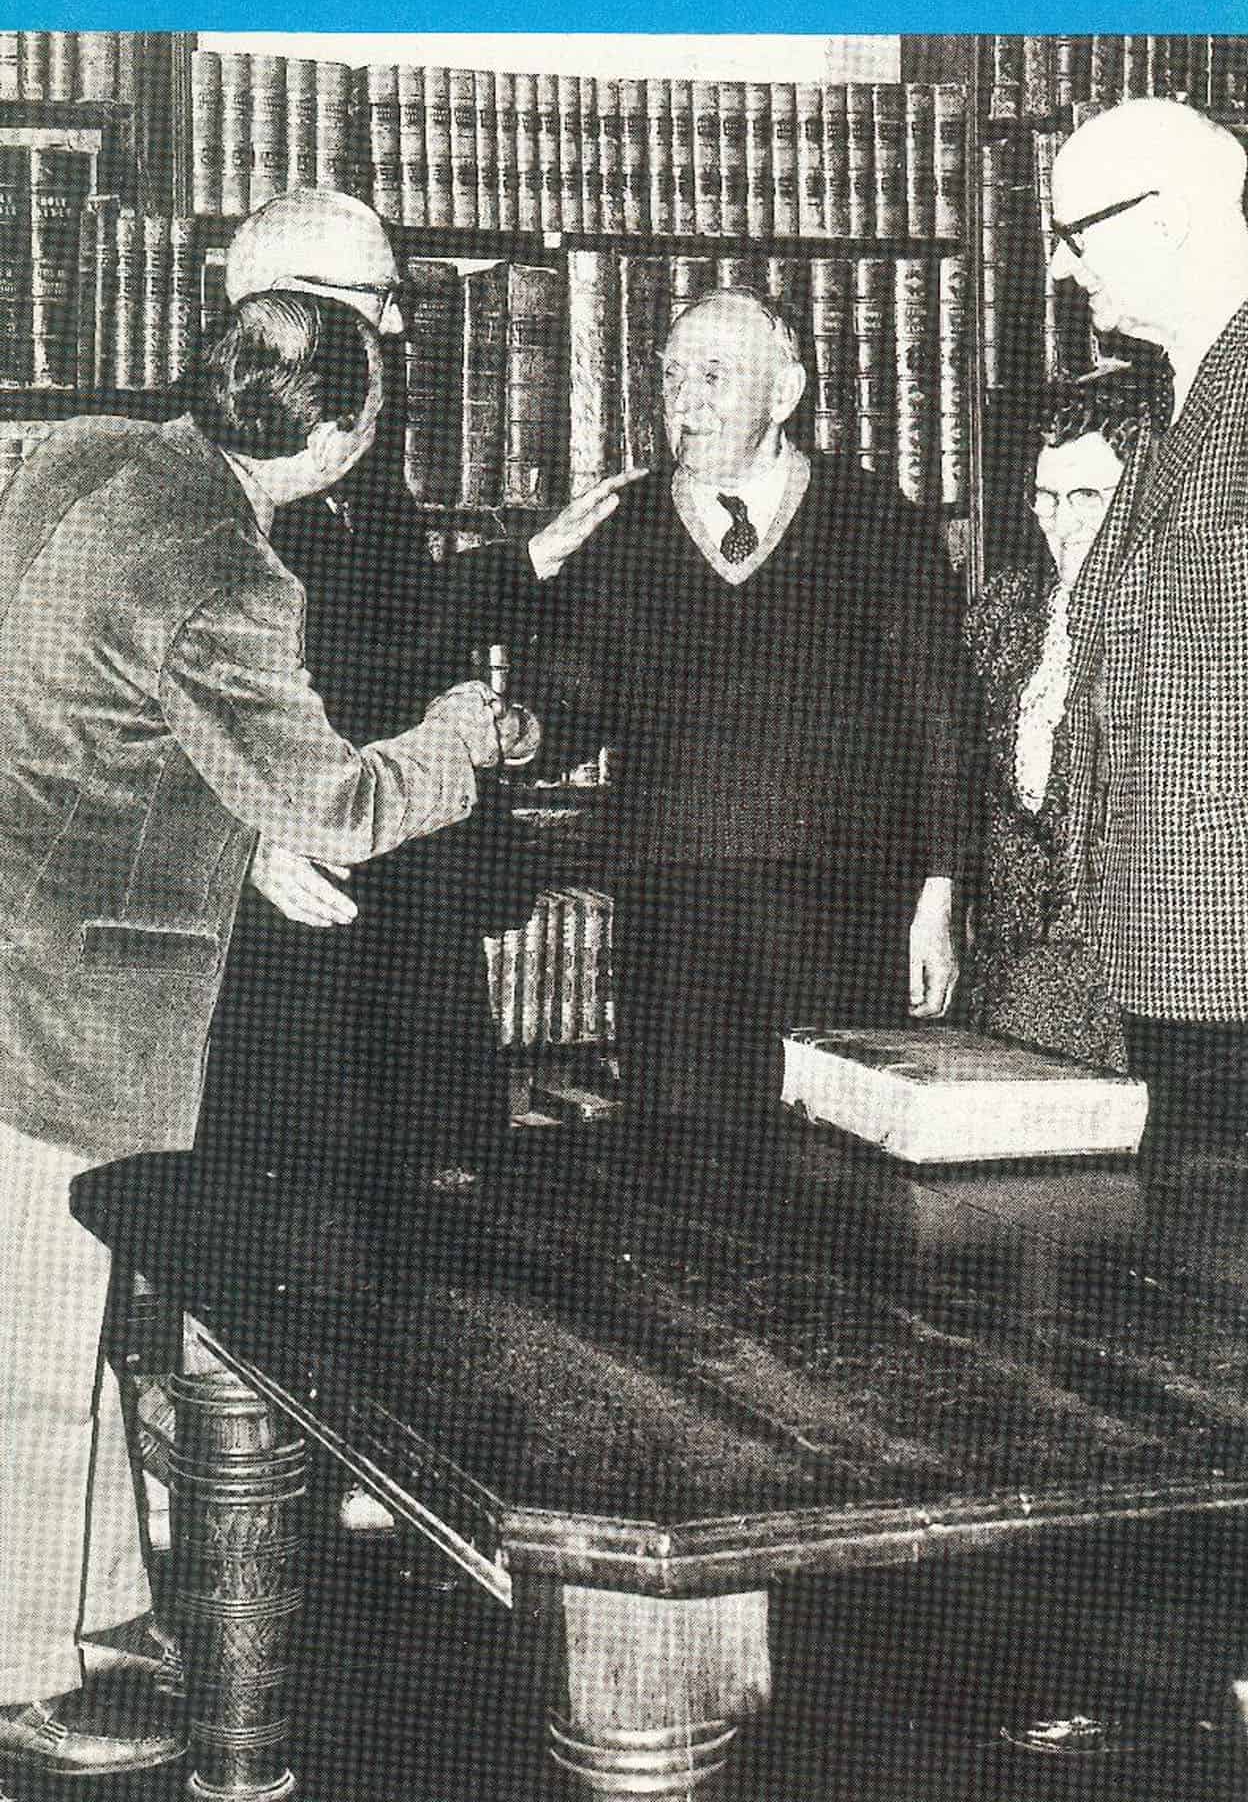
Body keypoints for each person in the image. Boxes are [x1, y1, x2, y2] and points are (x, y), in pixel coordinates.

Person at [0, 292, 529, 1780]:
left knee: (57, 1323)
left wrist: (226, 835)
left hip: (17, 931)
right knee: (35, 1344)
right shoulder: (232, 574)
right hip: (66, 998)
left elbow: (81, 698)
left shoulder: (75, 451)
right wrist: (461, 735)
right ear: (340, 437)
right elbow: (340, 806)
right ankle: (21, 1671)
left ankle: (91, 1607)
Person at [201, 189, 633, 1207]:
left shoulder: (355, 440)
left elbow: (383, 637)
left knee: (431, 1186)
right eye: (379, 297)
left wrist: (522, 568)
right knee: (291, 1194)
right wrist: (235, 840)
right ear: (280, 298)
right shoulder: (203, 470)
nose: (397, 325)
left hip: (402, 878)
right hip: (288, 903)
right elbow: (150, 700)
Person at [466, 286, 966, 1136]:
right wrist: (526, 731)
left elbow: (940, 723)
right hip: (677, 907)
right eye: (670, 378)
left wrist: (939, 896)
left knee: (835, 1156)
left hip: (843, 902)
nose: (683, 402)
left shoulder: (877, 519)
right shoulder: (620, 527)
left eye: (712, 376)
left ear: (784, 392)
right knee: (683, 1149)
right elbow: (575, 690)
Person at [1049, 98, 1248, 1160]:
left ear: (1163, 218)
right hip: (1158, 952)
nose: (1060, 267)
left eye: (1074, 234)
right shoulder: (1172, 407)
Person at [963, 374, 1145, 1071]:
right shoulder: (1004, 613)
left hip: (1120, 986)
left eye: (1086, 499)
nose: (1058, 523)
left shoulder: (1169, 629)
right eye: (1044, 497)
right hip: (1004, 979)